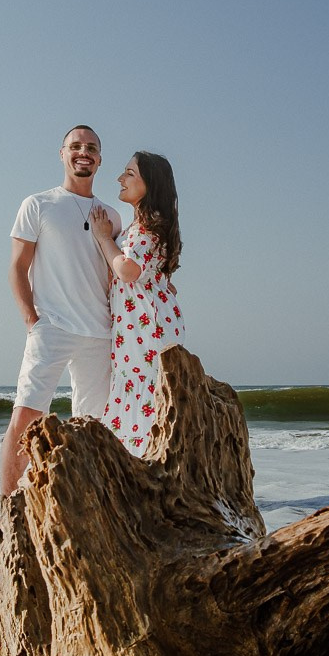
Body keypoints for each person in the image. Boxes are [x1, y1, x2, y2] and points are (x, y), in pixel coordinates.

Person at [0, 125, 122, 496]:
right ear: (62, 154)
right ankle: (7, 505)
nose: (83, 152)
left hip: (99, 333)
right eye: (75, 146)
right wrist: (32, 321)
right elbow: (17, 268)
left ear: (99, 159)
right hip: (51, 327)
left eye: (91, 148)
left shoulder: (113, 217)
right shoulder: (37, 204)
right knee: (25, 416)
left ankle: (83, 503)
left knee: (91, 426)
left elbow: (118, 272)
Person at [89, 151, 184, 456]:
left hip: (145, 329)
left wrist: (104, 238)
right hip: (143, 325)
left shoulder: (147, 227)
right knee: (144, 392)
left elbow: (127, 270)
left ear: (150, 184)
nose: (120, 178)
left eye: (129, 173)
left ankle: (142, 464)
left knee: (142, 391)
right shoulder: (146, 226)